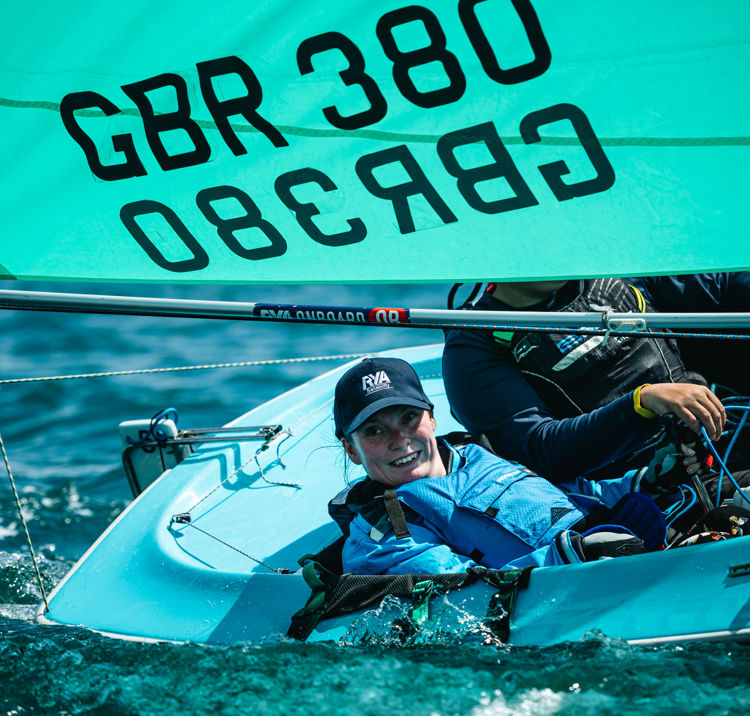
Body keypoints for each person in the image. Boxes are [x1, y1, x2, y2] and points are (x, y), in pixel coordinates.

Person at [330, 357, 662, 576]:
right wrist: (572, 555)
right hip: (578, 599)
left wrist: (651, 480)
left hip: (628, 560)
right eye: (374, 431)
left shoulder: (479, 455)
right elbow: (464, 593)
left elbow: (579, 495)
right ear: (352, 450)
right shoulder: (380, 537)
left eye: (409, 418)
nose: (399, 439)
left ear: (431, 418)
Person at [442, 274, 750, 483]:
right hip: (646, 493)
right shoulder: (474, 344)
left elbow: (723, 288)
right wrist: (642, 404)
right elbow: (539, 451)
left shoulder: (616, 268)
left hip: (727, 437)